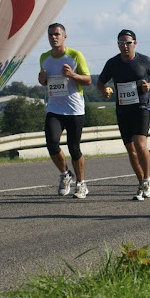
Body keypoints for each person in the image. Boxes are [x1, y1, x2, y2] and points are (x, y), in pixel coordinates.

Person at [97, 29, 150, 201]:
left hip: (141, 107)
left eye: (128, 42)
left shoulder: (144, 60)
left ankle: (147, 179)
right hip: (123, 110)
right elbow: (100, 83)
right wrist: (104, 91)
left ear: (135, 43)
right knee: (131, 151)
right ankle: (141, 182)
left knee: (139, 144)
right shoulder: (113, 63)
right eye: (121, 43)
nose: (125, 46)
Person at [39, 23, 92, 198]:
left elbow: (88, 80)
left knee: (74, 148)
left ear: (64, 37)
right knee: (52, 143)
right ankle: (65, 174)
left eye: (56, 34)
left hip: (74, 109)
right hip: (54, 108)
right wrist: (42, 79)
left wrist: (72, 75)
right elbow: (45, 82)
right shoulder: (44, 57)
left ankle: (81, 183)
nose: (53, 37)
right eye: (50, 35)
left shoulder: (75, 56)